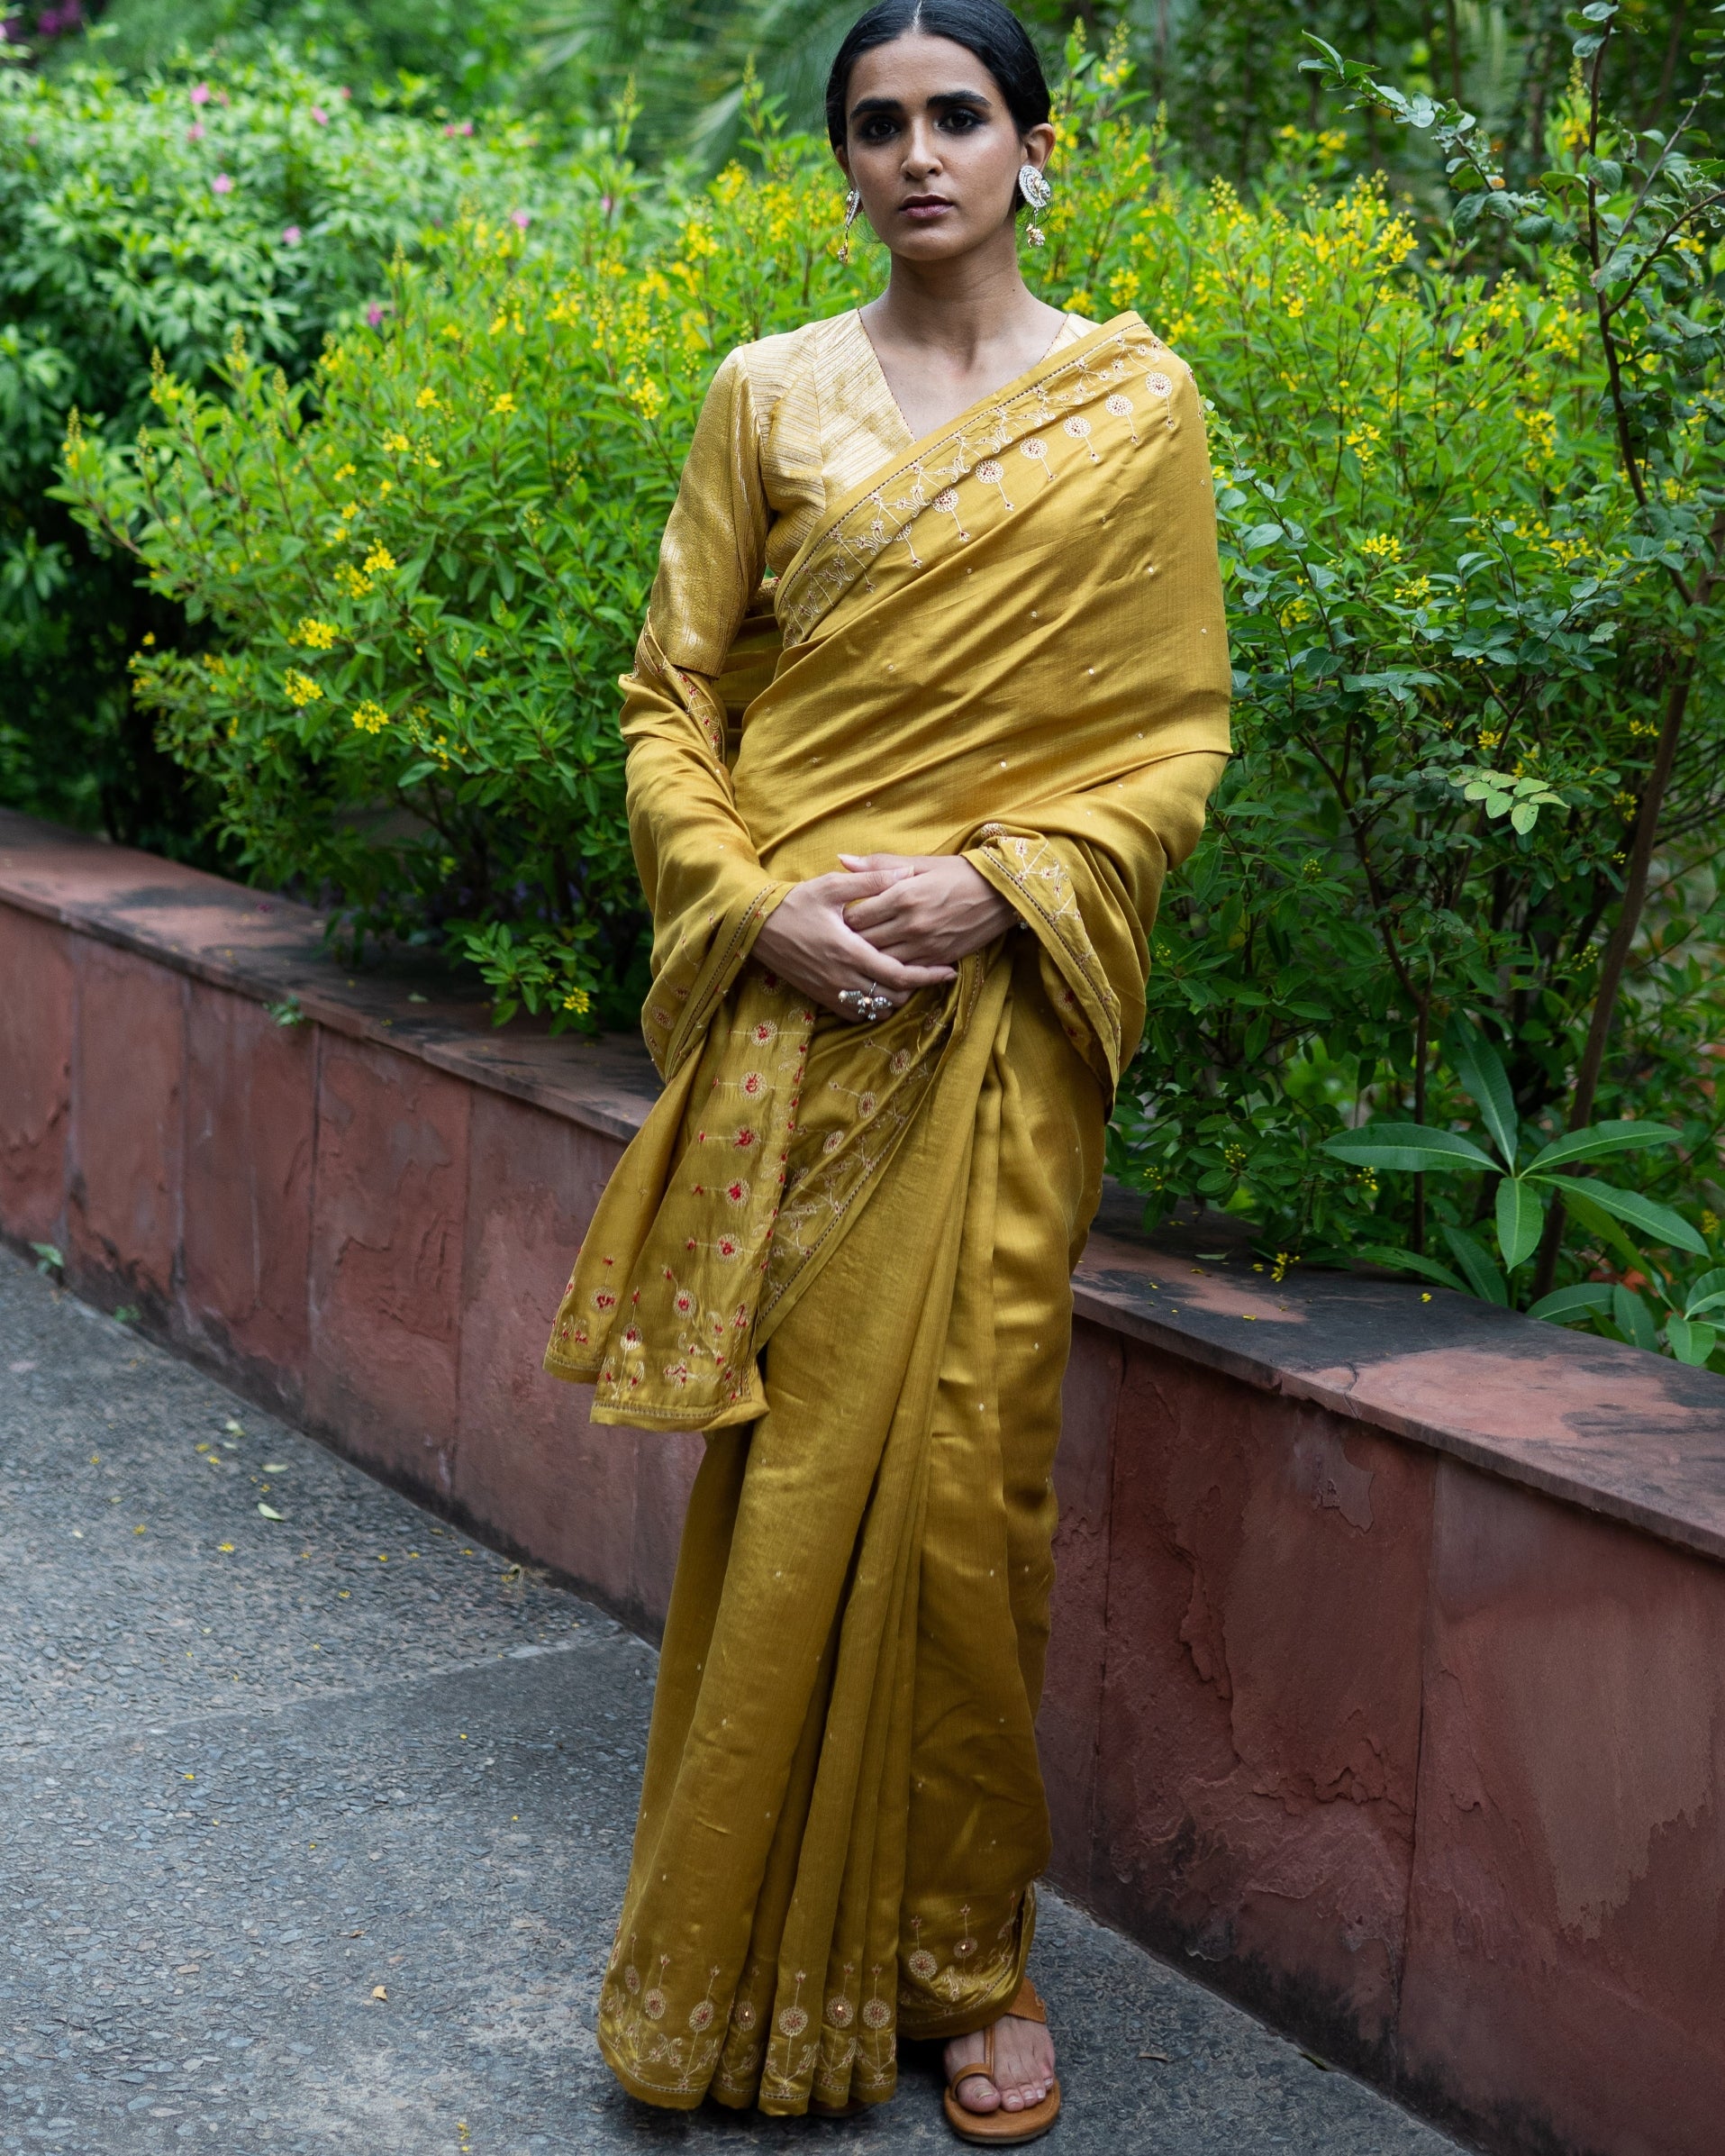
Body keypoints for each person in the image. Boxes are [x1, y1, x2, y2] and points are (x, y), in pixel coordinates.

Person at [543, 0, 1230, 2139]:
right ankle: (741, 1937)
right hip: (802, 1028)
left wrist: (1010, 883)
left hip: (995, 1038)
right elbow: (670, 696)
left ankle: (965, 1961)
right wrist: (750, 906)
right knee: (792, 1485)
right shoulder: (768, 395)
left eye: (959, 116)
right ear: (841, 162)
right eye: (878, 123)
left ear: (1037, 144)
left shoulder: (1131, 410)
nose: (919, 152)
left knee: (964, 1504)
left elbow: (1176, 732)